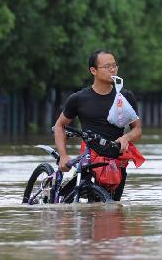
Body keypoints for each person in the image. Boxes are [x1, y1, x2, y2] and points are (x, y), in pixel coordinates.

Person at [53, 49, 143, 201]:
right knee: (83, 205)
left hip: (117, 158)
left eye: (114, 66)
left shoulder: (125, 97)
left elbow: (137, 129)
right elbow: (60, 126)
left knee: (114, 209)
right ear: (93, 70)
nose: (113, 70)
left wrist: (126, 138)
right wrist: (63, 155)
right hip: (90, 156)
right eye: (107, 67)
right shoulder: (78, 99)